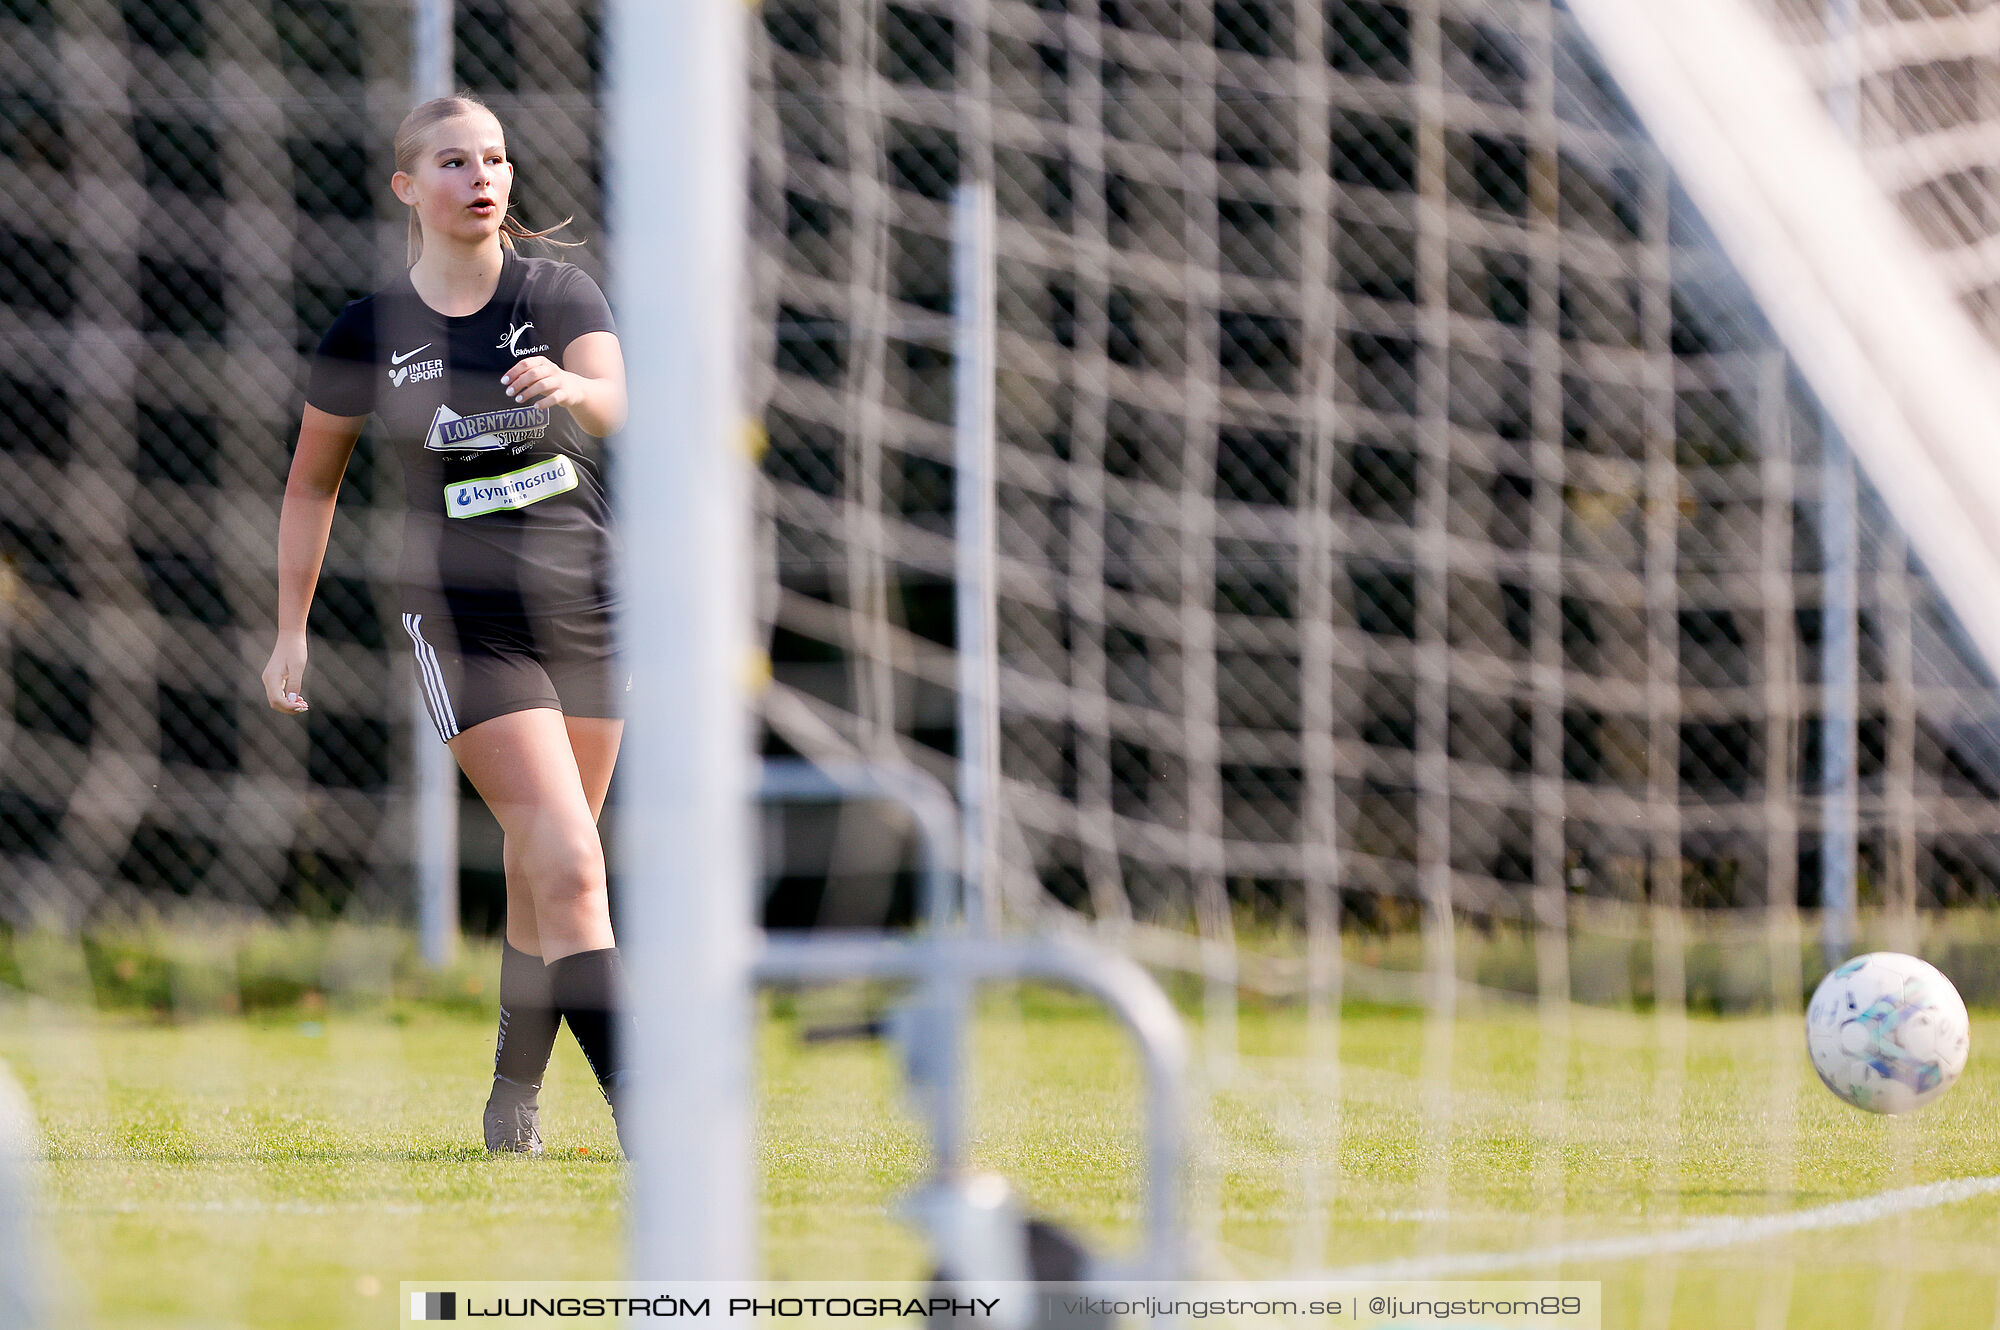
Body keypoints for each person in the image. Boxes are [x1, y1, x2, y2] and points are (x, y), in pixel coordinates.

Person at [261, 95, 629, 1155]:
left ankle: (513, 1097)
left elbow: (617, 398)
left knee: (548, 871)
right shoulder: (369, 329)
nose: (482, 176)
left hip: (588, 610)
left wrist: (572, 384)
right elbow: (307, 487)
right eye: (455, 160)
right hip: (466, 623)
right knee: (565, 863)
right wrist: (293, 627)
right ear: (407, 187)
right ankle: (650, 1123)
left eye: (497, 158)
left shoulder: (555, 290)